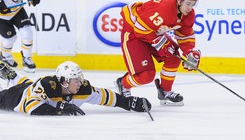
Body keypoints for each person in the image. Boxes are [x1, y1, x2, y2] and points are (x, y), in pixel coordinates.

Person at [116, 0, 201, 106]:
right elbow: (140, 30)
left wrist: (190, 52)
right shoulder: (165, 9)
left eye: (193, 4)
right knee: (146, 76)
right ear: (179, 0)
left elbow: (185, 35)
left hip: (151, 31)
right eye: (188, 3)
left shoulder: (188, 15)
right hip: (134, 30)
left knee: (173, 57)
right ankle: (123, 84)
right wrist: (160, 42)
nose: (190, 8)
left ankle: (165, 91)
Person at [0, 61, 151, 115]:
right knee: (16, 90)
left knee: (27, 83)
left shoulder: (82, 90)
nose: (80, 83)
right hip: (17, 98)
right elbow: (30, 107)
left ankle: (11, 75)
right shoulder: (47, 86)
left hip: (30, 87)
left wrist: (129, 102)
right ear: (64, 82)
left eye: (80, 79)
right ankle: (12, 77)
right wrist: (59, 109)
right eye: (76, 80)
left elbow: (106, 96)